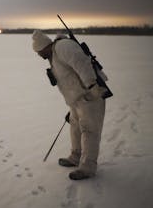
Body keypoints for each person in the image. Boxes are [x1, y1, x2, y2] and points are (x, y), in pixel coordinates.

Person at [32, 30, 106, 180]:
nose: (39, 55)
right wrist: (71, 105)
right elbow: (69, 81)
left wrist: (92, 85)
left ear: (43, 47)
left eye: (38, 52)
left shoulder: (63, 47)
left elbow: (82, 63)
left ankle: (87, 168)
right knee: (75, 127)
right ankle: (75, 157)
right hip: (77, 101)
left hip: (90, 95)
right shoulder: (53, 56)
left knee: (89, 131)